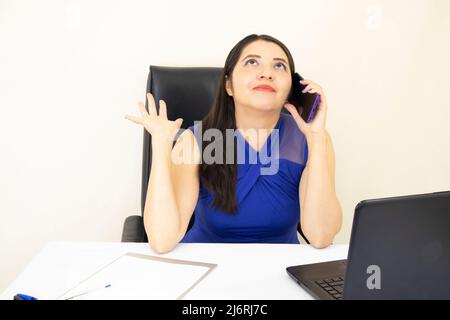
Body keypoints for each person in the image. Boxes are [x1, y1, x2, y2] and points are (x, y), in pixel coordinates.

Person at [125, 34, 342, 253]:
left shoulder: (311, 139)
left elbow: (321, 235)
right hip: (208, 263)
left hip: (279, 266)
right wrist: (162, 146)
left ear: (291, 89)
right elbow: (162, 240)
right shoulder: (195, 141)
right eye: (252, 62)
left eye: (279, 66)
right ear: (229, 85)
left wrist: (316, 139)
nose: (266, 73)